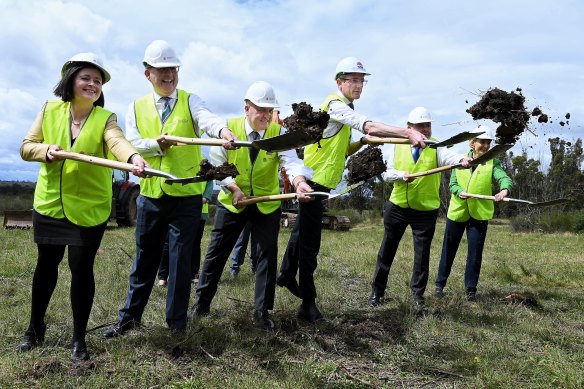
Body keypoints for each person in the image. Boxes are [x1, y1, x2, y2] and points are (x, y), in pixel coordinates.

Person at [17, 53, 148, 361]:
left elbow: (116, 141)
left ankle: (79, 338)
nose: (92, 84)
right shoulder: (49, 110)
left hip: (89, 208)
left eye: (98, 81)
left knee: (81, 268)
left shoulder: (106, 118)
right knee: (45, 267)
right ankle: (34, 330)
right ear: (71, 79)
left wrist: (132, 159)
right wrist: (46, 150)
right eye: (86, 78)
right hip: (51, 204)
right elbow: (25, 147)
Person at [102, 40, 236, 338]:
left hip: (186, 197)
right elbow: (132, 143)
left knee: (179, 263)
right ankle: (129, 318)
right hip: (150, 195)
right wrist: (156, 145)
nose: (169, 75)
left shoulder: (191, 100)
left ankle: (176, 324)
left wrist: (223, 131)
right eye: (161, 70)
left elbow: (208, 120)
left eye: (173, 69)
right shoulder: (135, 106)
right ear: (147, 73)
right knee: (144, 260)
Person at [277, 57, 427, 322]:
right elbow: (366, 124)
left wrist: (362, 143)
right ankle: (307, 305)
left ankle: (287, 274)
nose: (359, 86)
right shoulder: (335, 106)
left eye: (361, 81)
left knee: (301, 233)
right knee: (310, 244)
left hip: (321, 181)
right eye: (353, 80)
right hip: (312, 182)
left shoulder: (341, 112)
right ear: (340, 82)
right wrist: (407, 132)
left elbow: (342, 149)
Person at [190, 81, 314, 330]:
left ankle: (262, 312)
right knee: (217, 254)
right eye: (261, 109)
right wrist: (234, 189)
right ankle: (201, 304)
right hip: (233, 203)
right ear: (246, 108)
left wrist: (299, 181)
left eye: (270, 110)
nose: (267, 115)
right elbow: (218, 167)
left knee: (266, 257)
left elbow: (290, 162)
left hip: (266, 204)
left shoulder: (278, 133)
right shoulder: (228, 130)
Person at [367, 107, 472, 314]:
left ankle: (418, 296)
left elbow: (449, 156)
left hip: (425, 210)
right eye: (420, 126)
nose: (425, 129)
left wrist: (461, 161)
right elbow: (386, 173)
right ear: (409, 128)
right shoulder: (397, 145)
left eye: (428, 125)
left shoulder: (436, 145)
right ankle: (377, 292)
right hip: (397, 206)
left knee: (422, 256)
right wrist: (401, 175)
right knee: (386, 251)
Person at [434, 126, 512, 301]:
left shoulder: (493, 162)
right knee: (449, 250)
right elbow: (452, 183)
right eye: (481, 142)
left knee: (475, 253)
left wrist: (504, 190)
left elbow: (503, 178)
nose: (485, 145)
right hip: (458, 212)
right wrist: (459, 191)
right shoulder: (460, 160)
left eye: (488, 142)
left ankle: (471, 289)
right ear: (473, 142)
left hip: (479, 214)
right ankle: (440, 284)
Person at [158, 180, 214, 286]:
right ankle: (163, 276)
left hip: (199, 210)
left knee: (195, 244)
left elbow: (209, 183)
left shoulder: (206, 164)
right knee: (168, 242)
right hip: (177, 208)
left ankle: (193, 274)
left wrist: (205, 198)